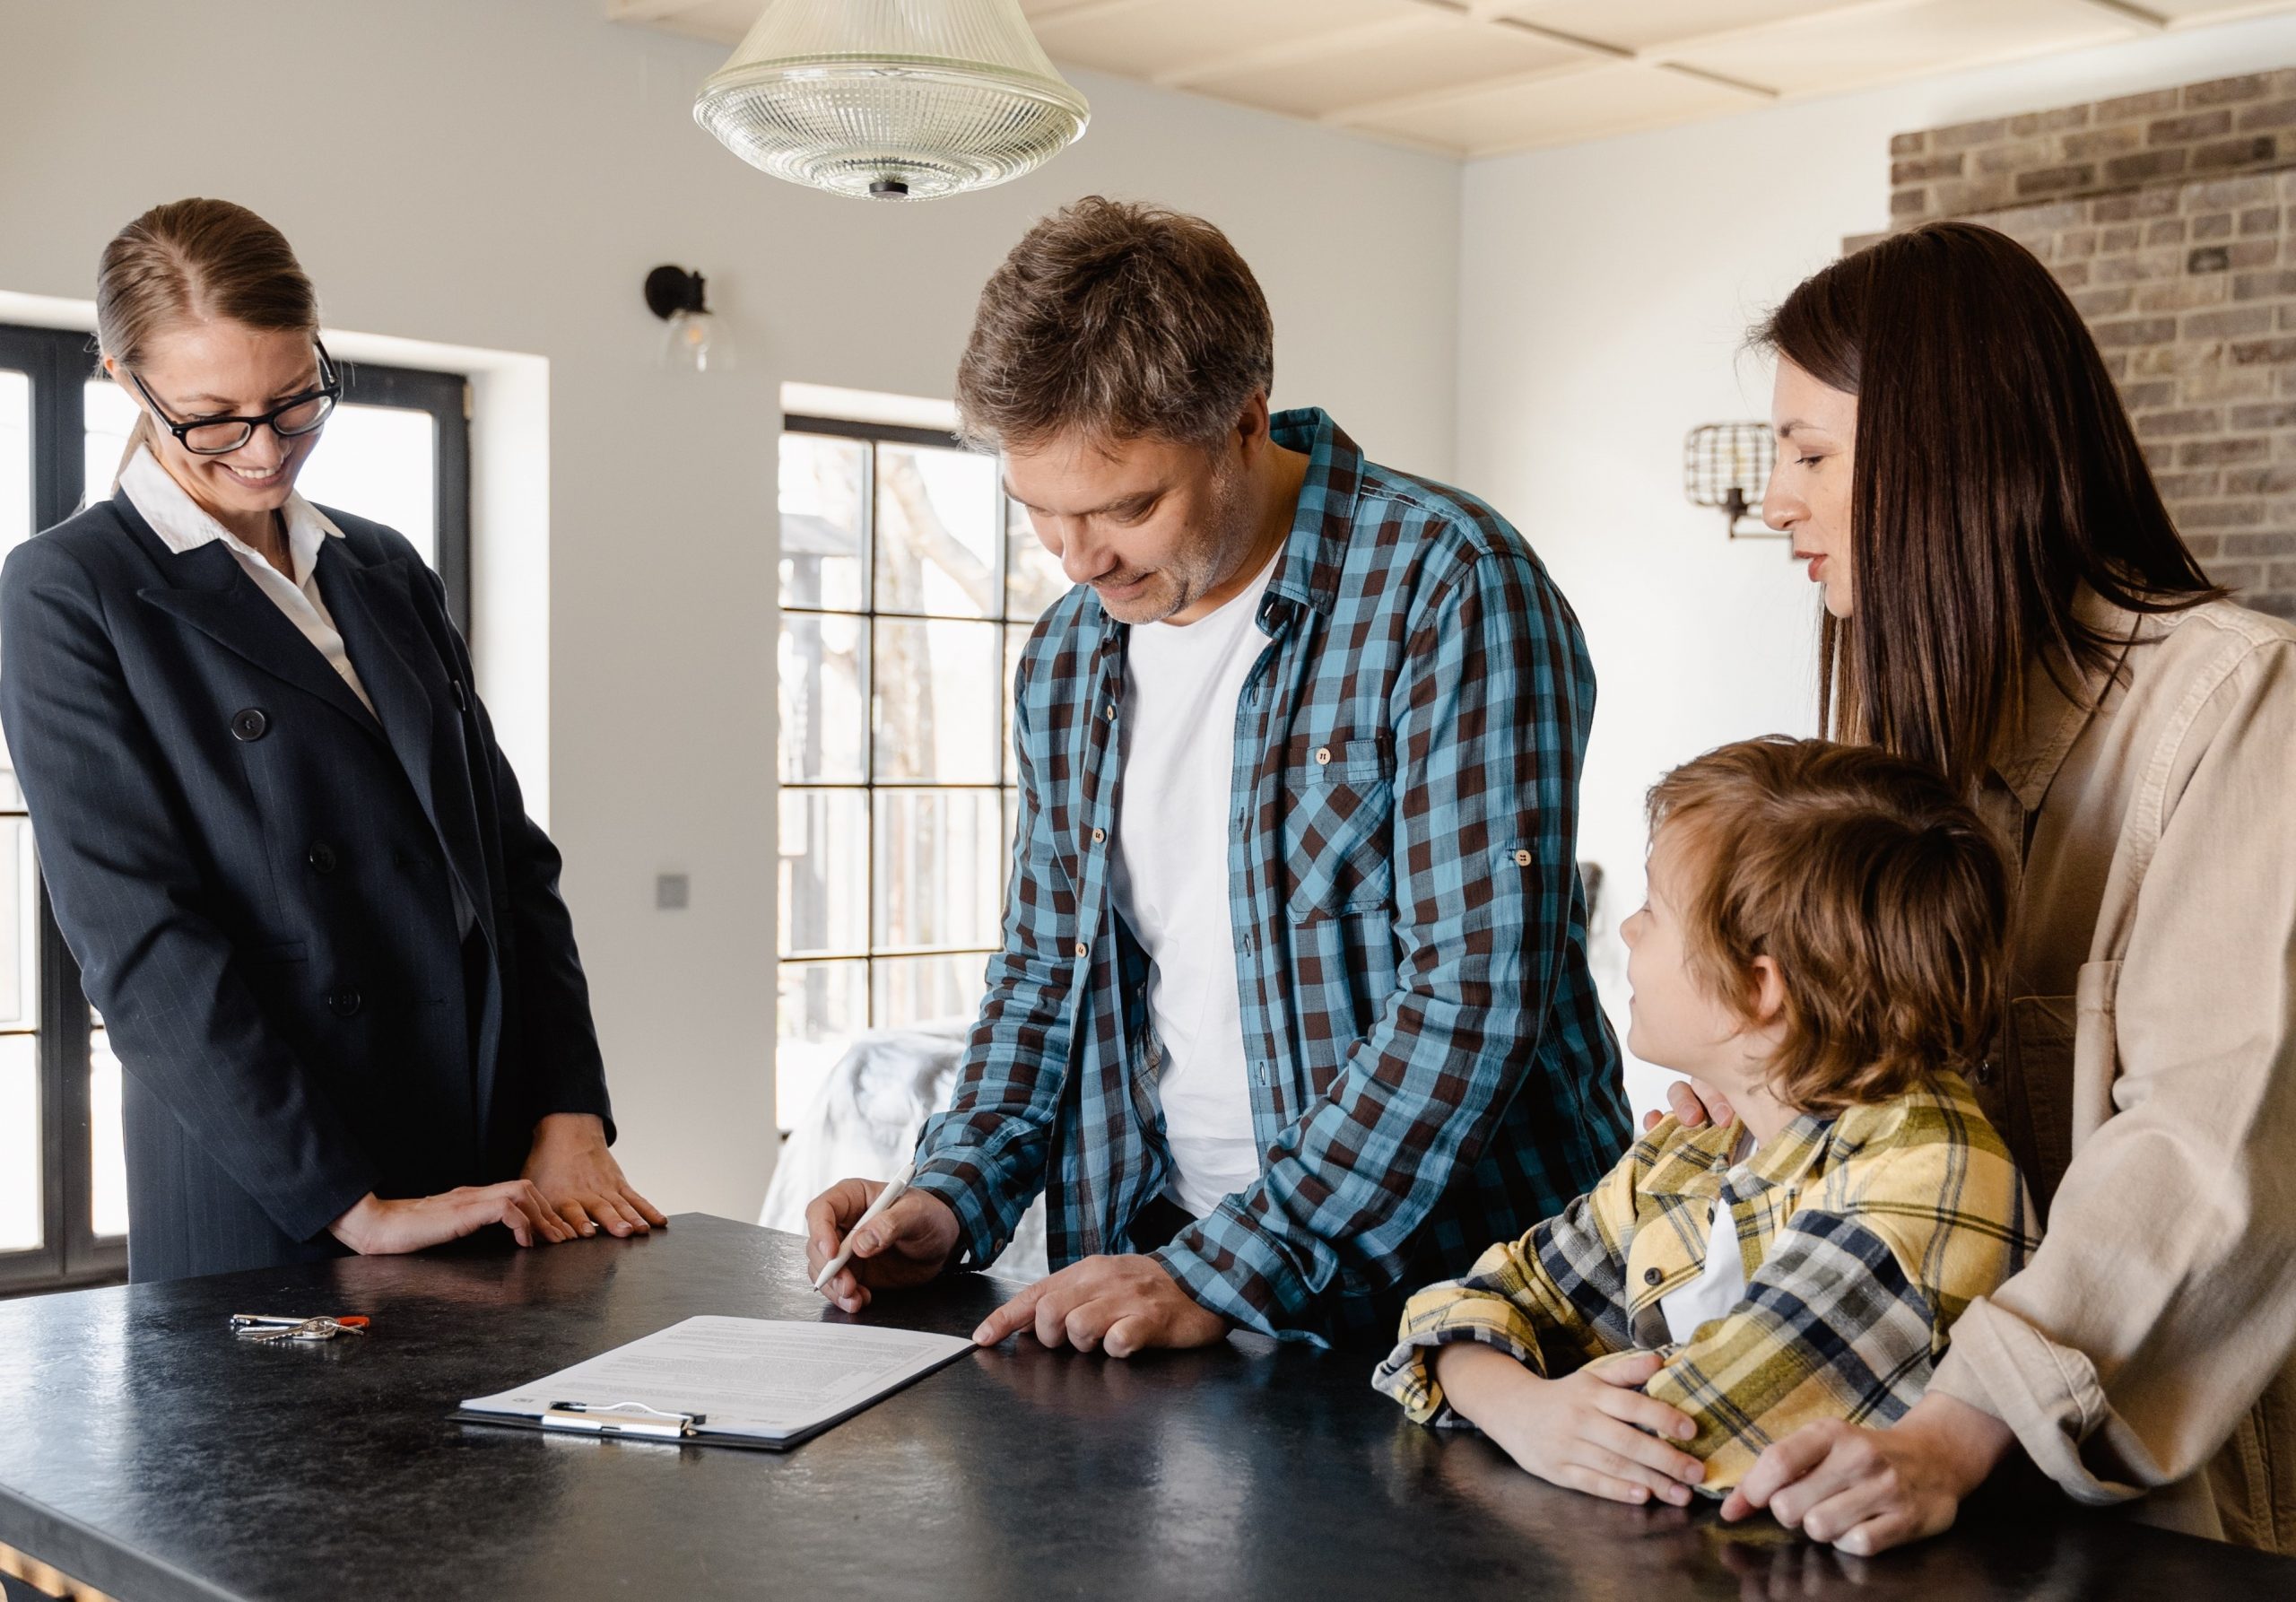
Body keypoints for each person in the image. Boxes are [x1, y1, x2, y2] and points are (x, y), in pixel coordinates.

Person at [805, 197, 1632, 1350]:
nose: (1081, 559)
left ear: (1245, 419)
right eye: (1039, 514)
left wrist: (1227, 1268)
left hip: (1458, 1298)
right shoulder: (1068, 656)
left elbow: (1472, 995)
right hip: (1165, 1264)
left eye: (1127, 507)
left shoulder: (1448, 585)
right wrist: (948, 1193)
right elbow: (1051, 968)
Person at [1664, 220, 2296, 1554]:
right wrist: (1773, 1093)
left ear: (1950, 455)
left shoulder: (2239, 698)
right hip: (1917, 1471)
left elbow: (2202, 1146)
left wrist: (1959, 1425)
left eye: (1812, 455)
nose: (1776, 501)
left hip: (2164, 1504)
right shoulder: (1916, 747)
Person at [0, 198, 664, 1282]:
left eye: (297, 400)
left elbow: (507, 860)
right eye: (213, 418)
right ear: (126, 382)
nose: (266, 451)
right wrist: (348, 1204)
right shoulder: (69, 590)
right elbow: (144, 942)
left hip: (488, 1147)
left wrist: (568, 1107)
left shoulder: (382, 565)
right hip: (282, 1185)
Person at [1373, 736, 2036, 1511]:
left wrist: (1530, 1400)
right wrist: (1524, 1409)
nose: (1626, 930)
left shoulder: (1926, 1184)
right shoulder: (1697, 1143)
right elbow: (1458, 1305)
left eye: (1654, 909)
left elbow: (1673, 1444)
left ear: (1759, 990)